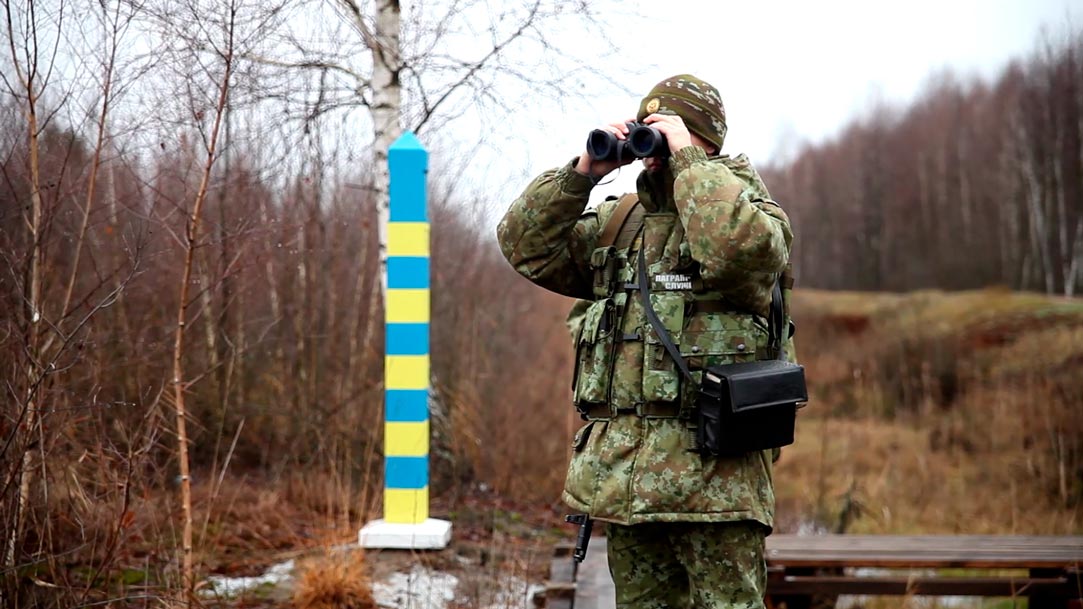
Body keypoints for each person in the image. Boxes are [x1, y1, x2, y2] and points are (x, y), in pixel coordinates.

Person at [496, 74, 794, 609]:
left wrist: (688, 162)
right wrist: (583, 174)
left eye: (669, 132)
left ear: (702, 138)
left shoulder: (754, 214)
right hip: (626, 484)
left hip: (718, 487)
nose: (653, 149)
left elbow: (734, 250)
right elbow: (526, 247)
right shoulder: (620, 225)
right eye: (647, 133)